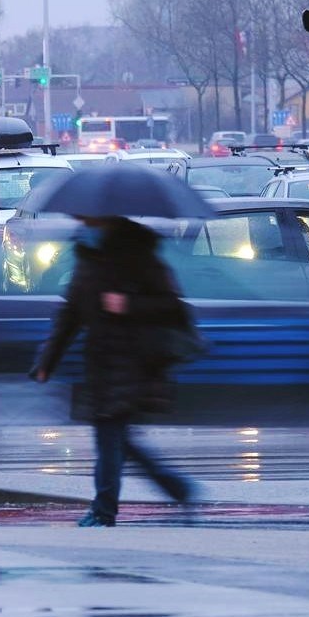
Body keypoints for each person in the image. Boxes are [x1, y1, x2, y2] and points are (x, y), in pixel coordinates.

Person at [30, 217, 198, 526]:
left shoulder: (137, 254)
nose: (84, 221)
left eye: (90, 216)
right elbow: (69, 316)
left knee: (109, 437)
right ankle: (178, 488)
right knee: (119, 441)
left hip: (134, 362)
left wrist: (128, 304)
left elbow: (172, 306)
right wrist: (46, 361)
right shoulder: (85, 257)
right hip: (101, 363)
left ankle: (104, 511)